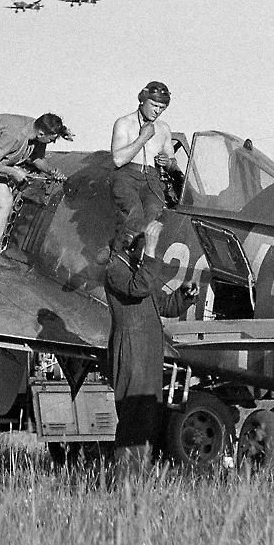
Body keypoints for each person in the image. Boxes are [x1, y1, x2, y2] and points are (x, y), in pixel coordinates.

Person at [103, 219, 198, 469]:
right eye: (142, 242)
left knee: (147, 417)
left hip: (146, 354)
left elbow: (164, 305)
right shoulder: (115, 269)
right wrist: (153, 253)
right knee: (134, 416)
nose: (144, 248)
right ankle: (126, 481)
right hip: (133, 352)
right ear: (127, 243)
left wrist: (183, 296)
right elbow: (139, 288)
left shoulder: (137, 267)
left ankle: (136, 478)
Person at [0, 112, 71, 274]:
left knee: (5, 201)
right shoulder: (15, 135)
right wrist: (12, 171)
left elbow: (37, 158)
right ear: (41, 134)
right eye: (51, 139)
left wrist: (51, 170)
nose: (52, 142)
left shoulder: (38, 135)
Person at [110, 81, 178, 251]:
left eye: (162, 107)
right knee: (134, 210)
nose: (157, 111)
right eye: (154, 105)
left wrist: (168, 163)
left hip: (151, 179)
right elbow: (118, 159)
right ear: (142, 100)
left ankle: (133, 252)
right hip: (127, 175)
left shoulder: (164, 128)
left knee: (154, 212)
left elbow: (173, 163)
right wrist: (143, 138)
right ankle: (116, 251)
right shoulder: (124, 123)